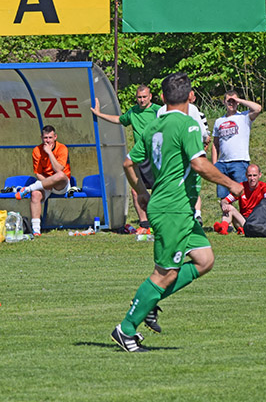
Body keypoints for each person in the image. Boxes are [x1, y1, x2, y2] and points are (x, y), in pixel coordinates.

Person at [111, 72, 243, 352]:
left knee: (204, 259)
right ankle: (126, 328)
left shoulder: (152, 127)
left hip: (174, 206)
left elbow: (127, 163)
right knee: (165, 273)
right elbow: (199, 165)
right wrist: (232, 183)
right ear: (190, 96)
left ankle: (150, 302)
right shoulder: (188, 125)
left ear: (161, 97)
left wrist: (143, 192)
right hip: (173, 208)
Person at [91, 85, 160, 233]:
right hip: (139, 156)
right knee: (136, 191)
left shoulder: (158, 111)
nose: (141, 100)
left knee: (158, 190)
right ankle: (145, 224)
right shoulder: (133, 111)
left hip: (155, 156)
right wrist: (99, 114)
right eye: (139, 97)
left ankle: (159, 222)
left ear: (150, 96)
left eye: (144, 97)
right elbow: (119, 119)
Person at [158, 89, 210, 225]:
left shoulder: (160, 111)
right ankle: (195, 214)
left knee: (173, 184)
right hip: (191, 152)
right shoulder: (191, 109)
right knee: (193, 184)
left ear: (164, 97)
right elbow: (203, 132)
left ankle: (175, 215)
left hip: (169, 155)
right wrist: (204, 141)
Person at [14, 125, 71, 236]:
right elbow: (38, 173)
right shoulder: (37, 150)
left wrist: (49, 153)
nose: (48, 140)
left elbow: (59, 169)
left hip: (61, 184)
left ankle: (28, 188)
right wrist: (47, 184)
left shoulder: (62, 148)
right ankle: (36, 230)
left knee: (60, 175)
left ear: (55, 137)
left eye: (50, 137)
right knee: (35, 194)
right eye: (45, 138)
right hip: (45, 183)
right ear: (41, 137)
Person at [211, 91, 262, 200]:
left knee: (243, 195)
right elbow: (215, 144)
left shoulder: (244, 117)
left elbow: (257, 108)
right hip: (222, 164)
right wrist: (215, 164)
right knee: (224, 199)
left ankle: (246, 216)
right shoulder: (219, 121)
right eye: (229, 101)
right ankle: (227, 217)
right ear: (224, 102)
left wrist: (239, 100)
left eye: (234, 101)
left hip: (239, 161)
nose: (231, 103)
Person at [214, 164, 266, 235]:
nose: (252, 178)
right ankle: (223, 227)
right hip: (242, 220)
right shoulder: (241, 187)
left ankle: (235, 229)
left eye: (254, 175)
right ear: (246, 175)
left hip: (258, 220)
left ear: (259, 175)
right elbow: (225, 200)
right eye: (249, 175)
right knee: (229, 207)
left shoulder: (264, 187)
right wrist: (224, 204)